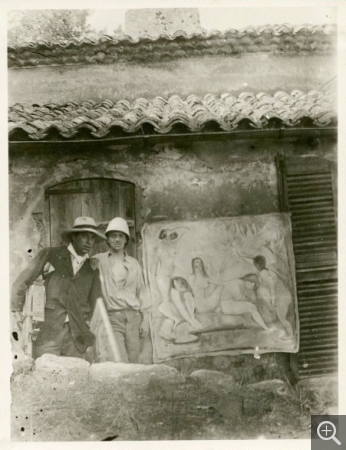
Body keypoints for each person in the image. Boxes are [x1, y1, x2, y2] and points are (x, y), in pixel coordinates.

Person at [11, 216, 105, 359]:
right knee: (45, 374)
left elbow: (96, 305)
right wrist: (15, 309)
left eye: (92, 238)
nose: (89, 242)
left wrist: (88, 331)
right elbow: (24, 278)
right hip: (49, 333)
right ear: (73, 236)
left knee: (74, 376)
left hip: (76, 339)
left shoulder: (92, 270)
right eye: (85, 237)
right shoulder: (51, 255)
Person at [93, 217, 150, 363]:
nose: (117, 239)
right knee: (119, 361)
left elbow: (142, 291)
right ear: (108, 239)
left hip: (133, 317)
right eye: (113, 236)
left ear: (126, 240)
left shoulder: (133, 263)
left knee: (133, 359)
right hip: (112, 317)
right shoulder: (98, 260)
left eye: (120, 236)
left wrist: (145, 320)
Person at [159, 276, 202, 343]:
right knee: (170, 321)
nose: (177, 287)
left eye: (179, 285)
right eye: (175, 285)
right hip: (179, 313)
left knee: (184, 325)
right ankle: (167, 333)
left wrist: (191, 319)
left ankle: (176, 334)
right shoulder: (175, 292)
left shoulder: (187, 294)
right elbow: (180, 307)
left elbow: (189, 309)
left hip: (185, 315)